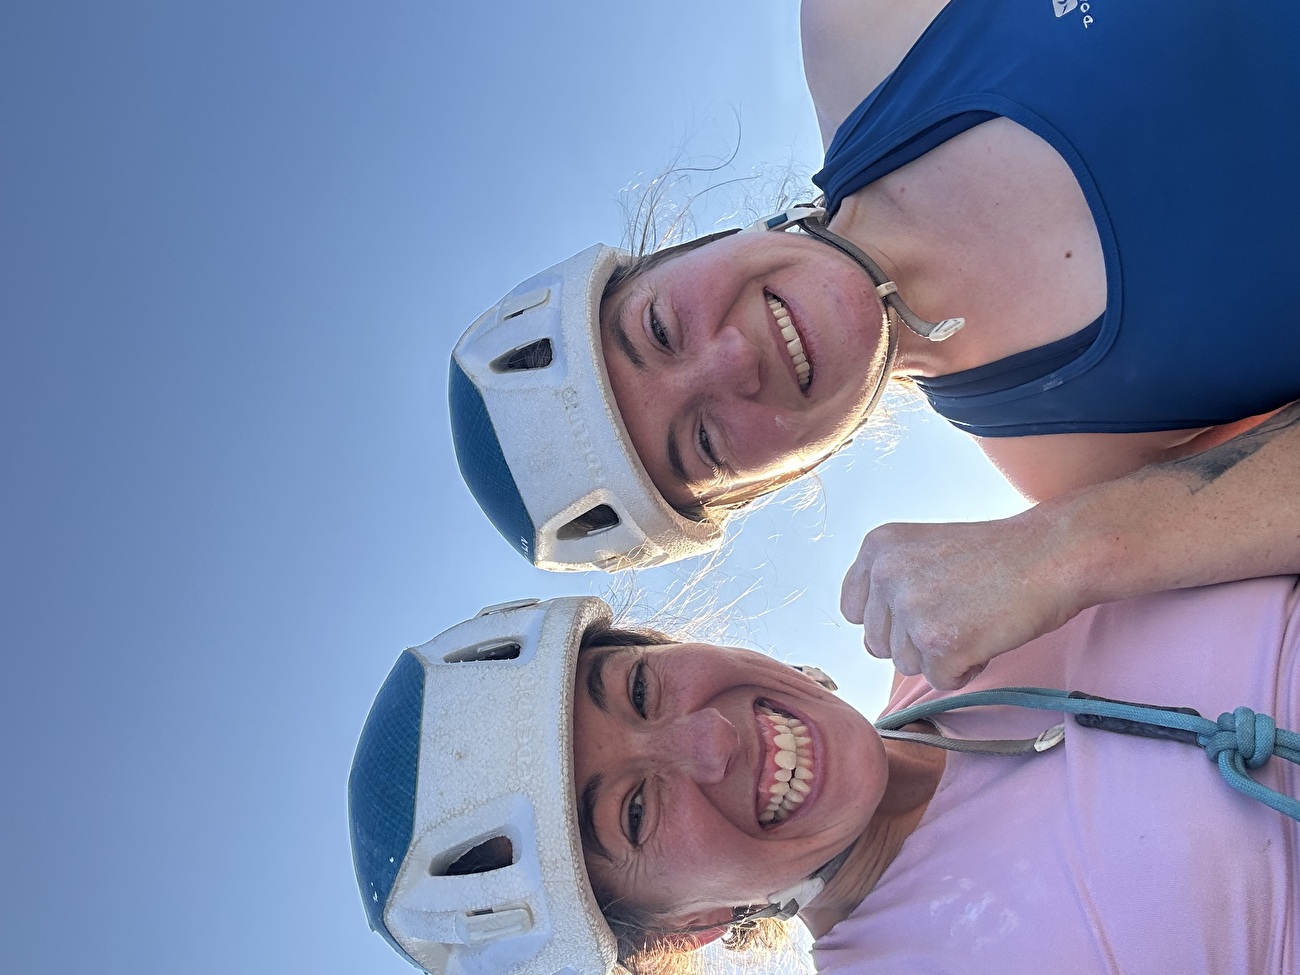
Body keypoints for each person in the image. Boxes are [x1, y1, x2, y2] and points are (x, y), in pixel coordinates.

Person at [448, 0, 1300, 687]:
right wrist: (1075, 547)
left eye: (659, 329)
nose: (731, 363)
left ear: (673, 253)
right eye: (702, 441)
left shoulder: (872, 23)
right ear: (773, 481)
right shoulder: (1073, 459)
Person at [349, 587, 1299, 974]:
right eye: (634, 812)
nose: (707, 744)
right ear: (687, 927)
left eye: (639, 685)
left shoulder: (990, 609)